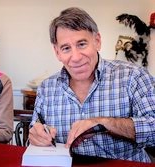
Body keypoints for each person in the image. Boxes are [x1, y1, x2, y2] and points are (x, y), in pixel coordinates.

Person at [28, 7, 155, 163]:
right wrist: (36, 136)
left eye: (81, 44)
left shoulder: (133, 77)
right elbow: (36, 131)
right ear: (57, 52)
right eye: (66, 48)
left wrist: (103, 123)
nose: (75, 57)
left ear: (97, 41)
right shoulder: (46, 89)